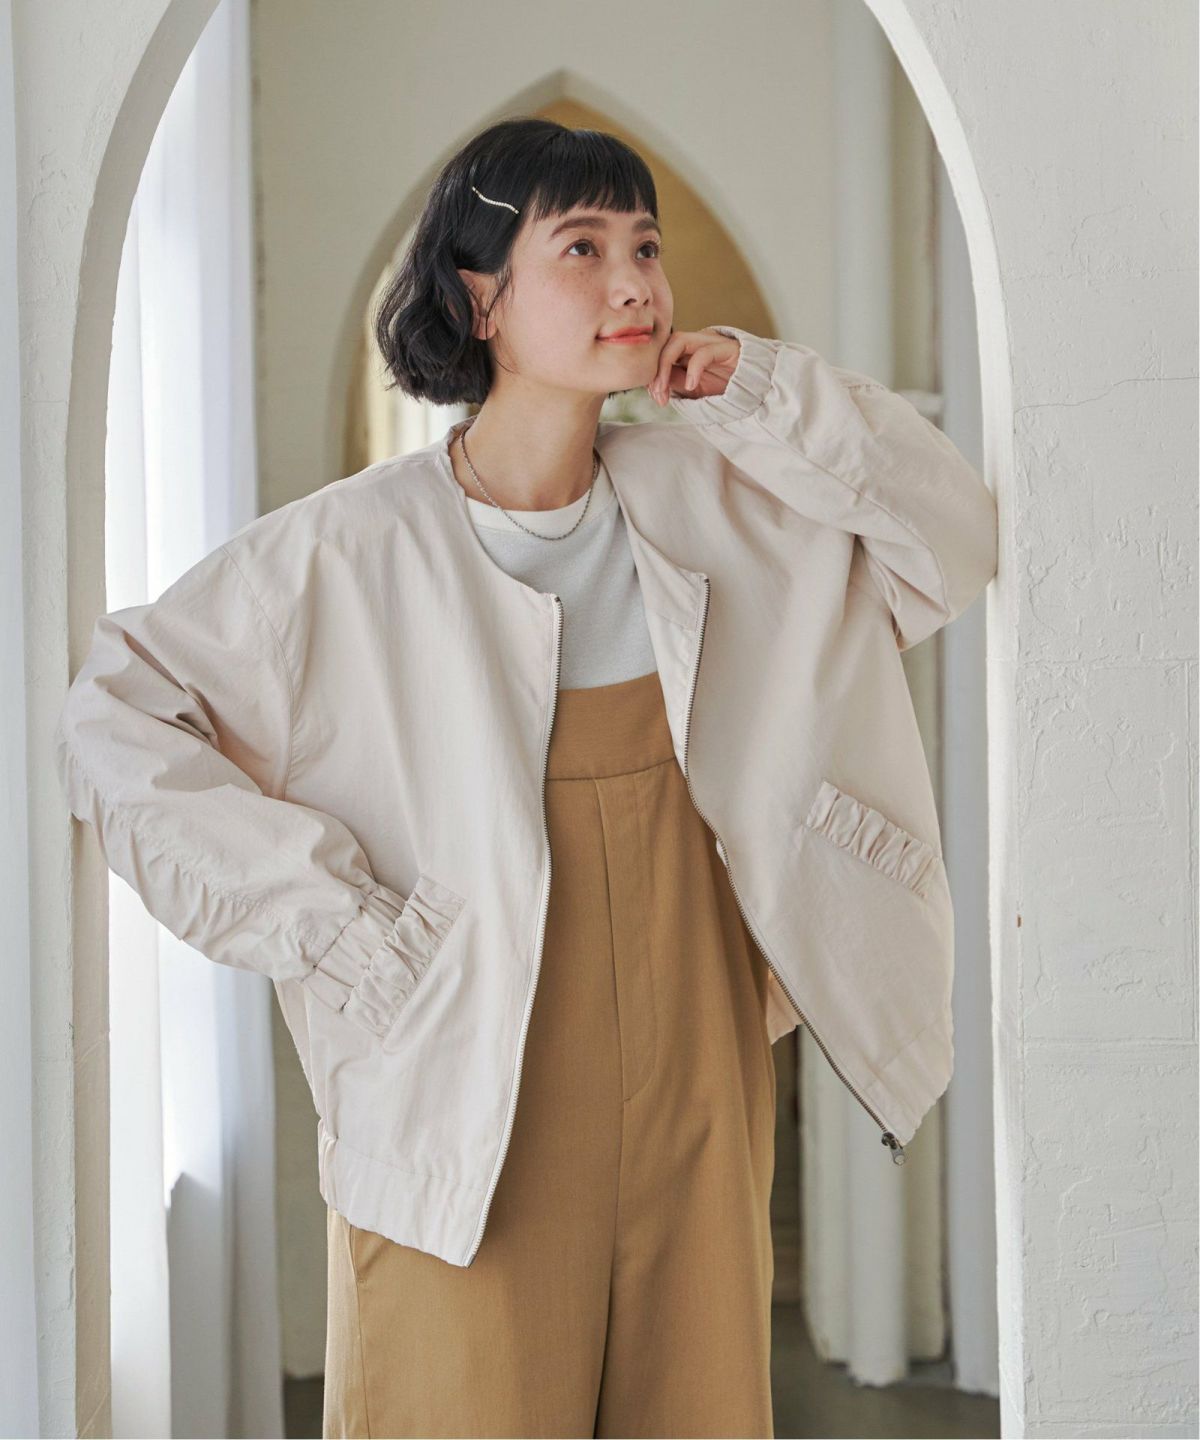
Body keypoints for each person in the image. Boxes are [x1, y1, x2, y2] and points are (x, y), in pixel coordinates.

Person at [54, 117, 999, 1438]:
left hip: (698, 1066)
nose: (634, 282)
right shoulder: (341, 556)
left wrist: (762, 391)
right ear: (479, 295)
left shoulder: (721, 498)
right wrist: (338, 928)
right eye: (583, 249)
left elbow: (950, 540)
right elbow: (115, 720)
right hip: (459, 1084)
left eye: (645, 247)